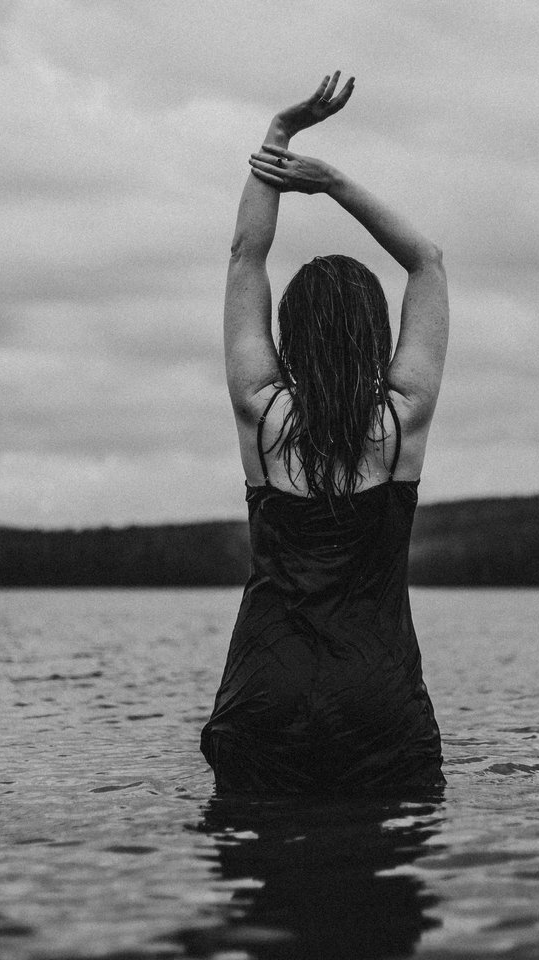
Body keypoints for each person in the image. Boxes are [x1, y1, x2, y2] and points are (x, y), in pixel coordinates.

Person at [201, 72, 449, 795]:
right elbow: (427, 262)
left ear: (289, 336)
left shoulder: (263, 413)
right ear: (379, 337)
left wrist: (279, 138)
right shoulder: (402, 422)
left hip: (265, 694)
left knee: (258, 889)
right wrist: (333, 181)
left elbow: (245, 257)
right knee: (385, 895)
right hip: (379, 702)